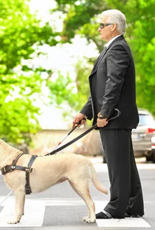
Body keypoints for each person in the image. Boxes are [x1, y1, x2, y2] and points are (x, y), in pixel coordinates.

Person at [72, 9, 144, 219]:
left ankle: (116, 208)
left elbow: (114, 85)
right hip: (116, 116)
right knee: (125, 164)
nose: (99, 29)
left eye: (102, 25)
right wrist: (84, 112)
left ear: (113, 27)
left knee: (117, 165)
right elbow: (101, 89)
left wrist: (104, 113)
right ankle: (133, 205)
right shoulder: (112, 48)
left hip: (115, 117)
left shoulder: (118, 49)